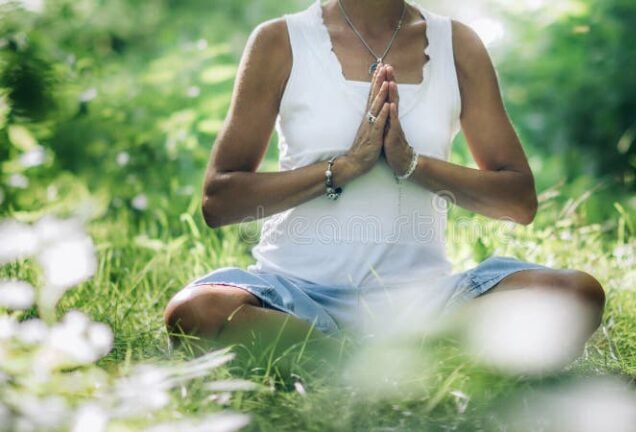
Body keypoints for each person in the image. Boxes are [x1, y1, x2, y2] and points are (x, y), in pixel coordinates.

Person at [163, 0, 605, 351]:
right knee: (196, 313)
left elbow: (519, 201)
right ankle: (366, 363)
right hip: (294, 299)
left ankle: (374, 358)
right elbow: (219, 201)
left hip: (424, 305)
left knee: (575, 295)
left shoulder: (458, 45)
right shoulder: (281, 41)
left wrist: (412, 164)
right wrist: (345, 166)